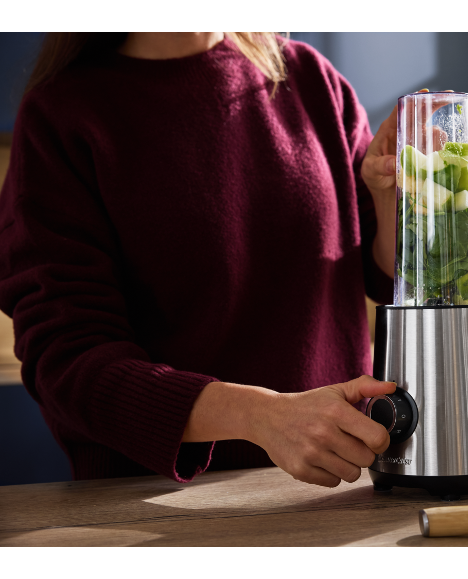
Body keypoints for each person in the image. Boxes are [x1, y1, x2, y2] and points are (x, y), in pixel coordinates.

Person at [0, 32, 405, 488]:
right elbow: (68, 360)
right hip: (154, 503)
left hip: (333, 488)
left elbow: (383, 273)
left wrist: (389, 198)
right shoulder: (61, 113)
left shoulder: (310, 78)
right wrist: (262, 416)